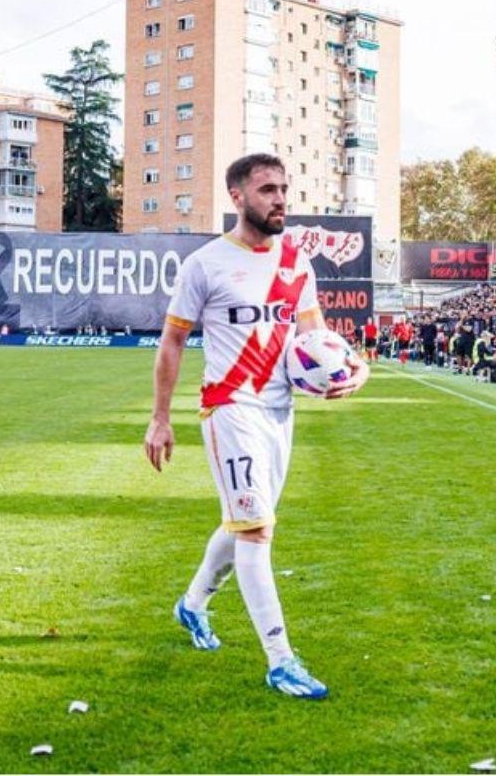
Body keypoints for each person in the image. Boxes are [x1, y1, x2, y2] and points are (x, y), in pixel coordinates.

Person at [143, 153, 369, 699]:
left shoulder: (297, 264)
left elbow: (317, 336)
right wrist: (159, 418)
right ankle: (280, 659)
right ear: (238, 197)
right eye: (268, 189)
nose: (280, 199)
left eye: (284, 188)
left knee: (245, 521)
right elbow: (172, 341)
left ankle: (192, 605)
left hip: (280, 411)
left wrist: (352, 368)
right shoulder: (205, 264)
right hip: (231, 408)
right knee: (257, 530)